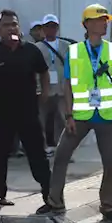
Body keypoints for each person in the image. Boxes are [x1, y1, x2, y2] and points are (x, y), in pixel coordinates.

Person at [45, 4, 112, 222]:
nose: (104, 23)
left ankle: (108, 207)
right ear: (86, 24)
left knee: (110, 163)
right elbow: (67, 85)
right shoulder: (74, 52)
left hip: (108, 115)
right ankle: (55, 202)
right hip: (80, 116)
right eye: (99, 20)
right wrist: (68, 115)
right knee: (61, 156)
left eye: (105, 19)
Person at [0, 10, 52, 215]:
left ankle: (50, 197)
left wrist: (45, 91)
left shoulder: (31, 51)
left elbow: (43, 72)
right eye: (6, 25)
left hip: (28, 113)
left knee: (37, 155)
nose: (11, 28)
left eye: (14, 24)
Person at [33, 14, 75, 156]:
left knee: (64, 119)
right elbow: (34, 70)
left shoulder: (67, 46)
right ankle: (42, 148)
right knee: (41, 120)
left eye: (53, 26)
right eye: (47, 26)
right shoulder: (36, 47)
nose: (50, 29)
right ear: (43, 29)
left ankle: (65, 150)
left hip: (62, 88)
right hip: (45, 89)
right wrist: (38, 89)